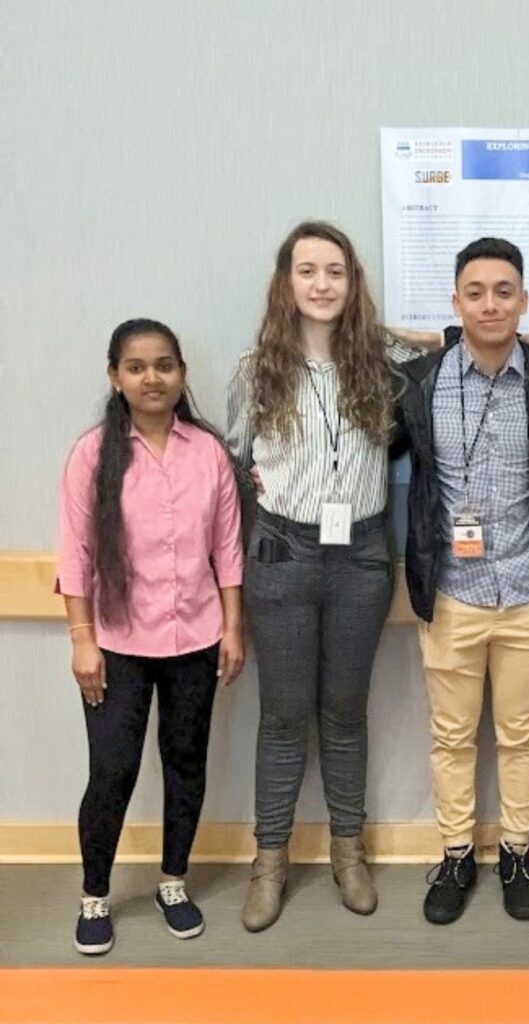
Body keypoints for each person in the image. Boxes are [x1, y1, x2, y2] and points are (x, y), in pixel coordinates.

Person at [227, 221, 529, 931]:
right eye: (307, 270)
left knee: (347, 717)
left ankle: (350, 854)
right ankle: (269, 862)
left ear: (354, 285)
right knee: (285, 717)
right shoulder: (253, 369)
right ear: (285, 282)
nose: (321, 284)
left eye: (336, 272)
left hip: (362, 559)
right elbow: (228, 461)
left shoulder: (380, 367)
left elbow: (455, 341)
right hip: (286, 558)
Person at [391, 237, 529, 925]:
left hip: (528, 592)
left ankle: (515, 852)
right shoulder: (421, 382)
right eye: (475, 292)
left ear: (524, 300)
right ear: (456, 303)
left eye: (504, 291)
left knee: (520, 737)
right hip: (451, 595)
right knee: (450, 737)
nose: (490, 304)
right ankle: (454, 854)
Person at [58, 318, 245, 956]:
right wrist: (83, 640)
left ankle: (172, 881)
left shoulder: (207, 451)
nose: (152, 377)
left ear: (182, 373)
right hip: (116, 643)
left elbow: (227, 549)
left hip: (195, 638)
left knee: (186, 765)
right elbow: (74, 554)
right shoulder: (91, 453)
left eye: (164, 364)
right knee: (112, 771)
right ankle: (94, 894)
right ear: (115, 377)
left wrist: (233, 629)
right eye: (136, 366)